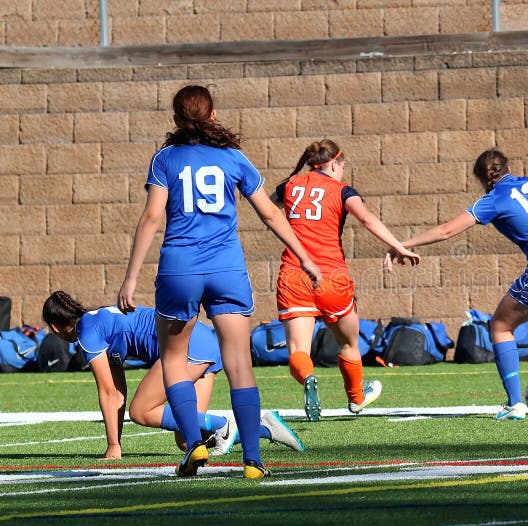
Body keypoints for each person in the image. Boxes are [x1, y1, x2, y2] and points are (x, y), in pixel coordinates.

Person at [116, 85, 321, 478]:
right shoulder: (233, 158)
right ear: (212, 116)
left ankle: (193, 444)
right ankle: (254, 461)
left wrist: (130, 279)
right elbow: (272, 215)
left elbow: (151, 219)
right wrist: (304, 256)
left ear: (175, 120)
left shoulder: (165, 160)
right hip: (227, 269)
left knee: (174, 360)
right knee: (239, 364)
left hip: (180, 270)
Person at [391, 149, 528, 420]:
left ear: (484, 179)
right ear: (507, 167)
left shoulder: (493, 198)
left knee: (500, 325)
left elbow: (446, 231)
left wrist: (403, 245)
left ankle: (515, 404)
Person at [42, 291, 305, 460]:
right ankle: (266, 428)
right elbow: (118, 390)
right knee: (188, 439)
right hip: (203, 342)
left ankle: (226, 424)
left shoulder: (86, 333)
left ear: (55, 327)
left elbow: (109, 393)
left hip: (187, 347)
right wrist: (116, 443)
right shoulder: (97, 321)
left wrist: (113, 447)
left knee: (141, 412)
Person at [274, 139, 419, 422]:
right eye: (342, 165)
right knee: (349, 343)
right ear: (332, 164)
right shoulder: (342, 191)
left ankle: (308, 378)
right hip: (331, 278)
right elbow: (366, 219)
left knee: (298, 351)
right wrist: (398, 246)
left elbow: (269, 210)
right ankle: (356, 398)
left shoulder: (289, 185)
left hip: (294, 274)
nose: (343, 170)